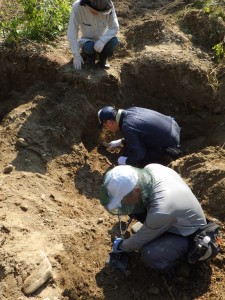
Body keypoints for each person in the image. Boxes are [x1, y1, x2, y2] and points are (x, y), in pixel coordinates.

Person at [99, 164, 207, 278]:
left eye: (123, 199)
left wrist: (121, 246)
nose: (122, 203)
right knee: (133, 208)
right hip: (172, 216)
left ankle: (179, 263)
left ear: (136, 190)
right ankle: (154, 230)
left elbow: (139, 241)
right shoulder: (151, 169)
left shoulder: (161, 210)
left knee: (150, 255)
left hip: (188, 234)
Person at [97, 106, 182, 167]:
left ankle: (168, 155)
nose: (107, 128)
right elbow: (140, 132)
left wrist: (126, 160)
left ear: (109, 122)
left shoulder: (128, 127)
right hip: (173, 125)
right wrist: (121, 142)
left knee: (140, 161)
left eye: (105, 126)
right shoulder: (131, 110)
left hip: (172, 139)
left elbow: (139, 154)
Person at [67, 0, 119, 70]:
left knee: (114, 41)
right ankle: (90, 58)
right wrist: (76, 55)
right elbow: (72, 31)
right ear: (86, 4)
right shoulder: (77, 7)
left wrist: (102, 40)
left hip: (103, 40)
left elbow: (114, 27)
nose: (96, 13)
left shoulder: (108, 5)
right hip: (87, 40)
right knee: (88, 47)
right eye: (94, 11)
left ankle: (103, 58)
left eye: (100, 12)